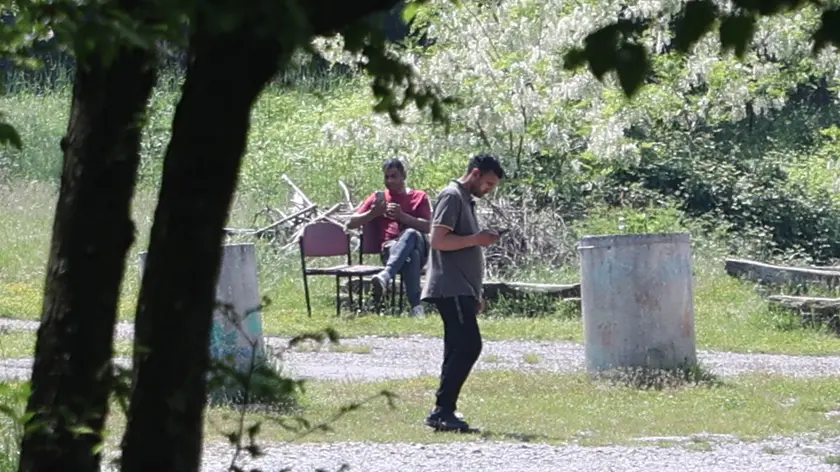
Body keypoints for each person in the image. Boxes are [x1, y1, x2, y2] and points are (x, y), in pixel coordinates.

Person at [420, 153, 505, 432]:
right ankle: (443, 409)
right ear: (476, 173)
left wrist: (475, 293)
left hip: (462, 289)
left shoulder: (466, 201)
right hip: (449, 286)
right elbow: (438, 240)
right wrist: (477, 239)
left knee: (456, 348)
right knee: (469, 346)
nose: (488, 190)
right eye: (488, 183)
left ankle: (444, 411)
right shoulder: (452, 196)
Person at [346, 158, 432, 317]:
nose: (389, 181)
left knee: (411, 234)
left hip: (420, 246)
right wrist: (373, 213)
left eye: (394, 176)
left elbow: (429, 226)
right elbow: (350, 223)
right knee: (411, 256)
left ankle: (385, 275)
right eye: (386, 177)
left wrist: (403, 217)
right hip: (390, 250)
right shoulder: (379, 199)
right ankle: (416, 308)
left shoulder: (419, 197)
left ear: (404, 176)